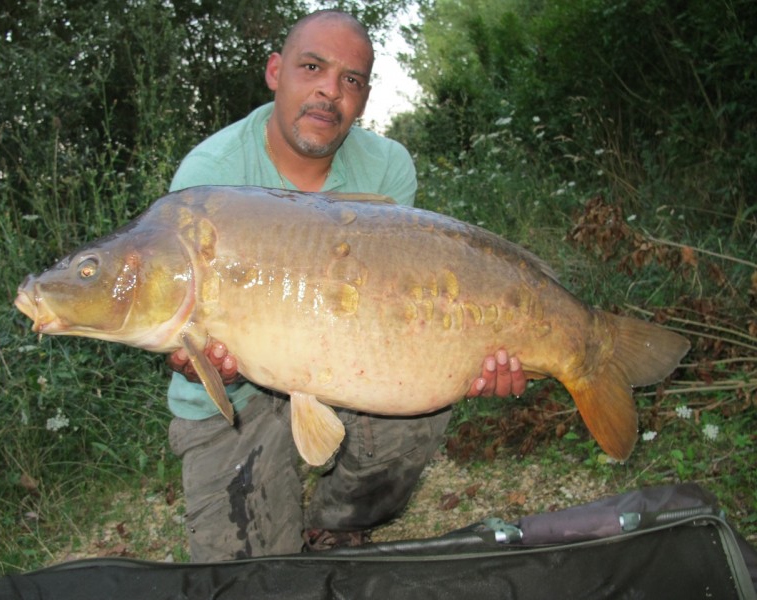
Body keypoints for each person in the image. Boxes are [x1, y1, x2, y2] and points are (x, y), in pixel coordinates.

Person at [165, 9, 526, 561]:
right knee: (247, 577)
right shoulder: (208, 175)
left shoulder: (387, 166)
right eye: (312, 67)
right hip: (232, 398)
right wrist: (194, 355)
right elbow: (173, 311)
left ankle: (342, 521)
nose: (329, 91)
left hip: (342, 363)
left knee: (423, 405)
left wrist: (466, 353)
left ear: (363, 95)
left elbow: (395, 300)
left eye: (350, 80)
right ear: (274, 71)